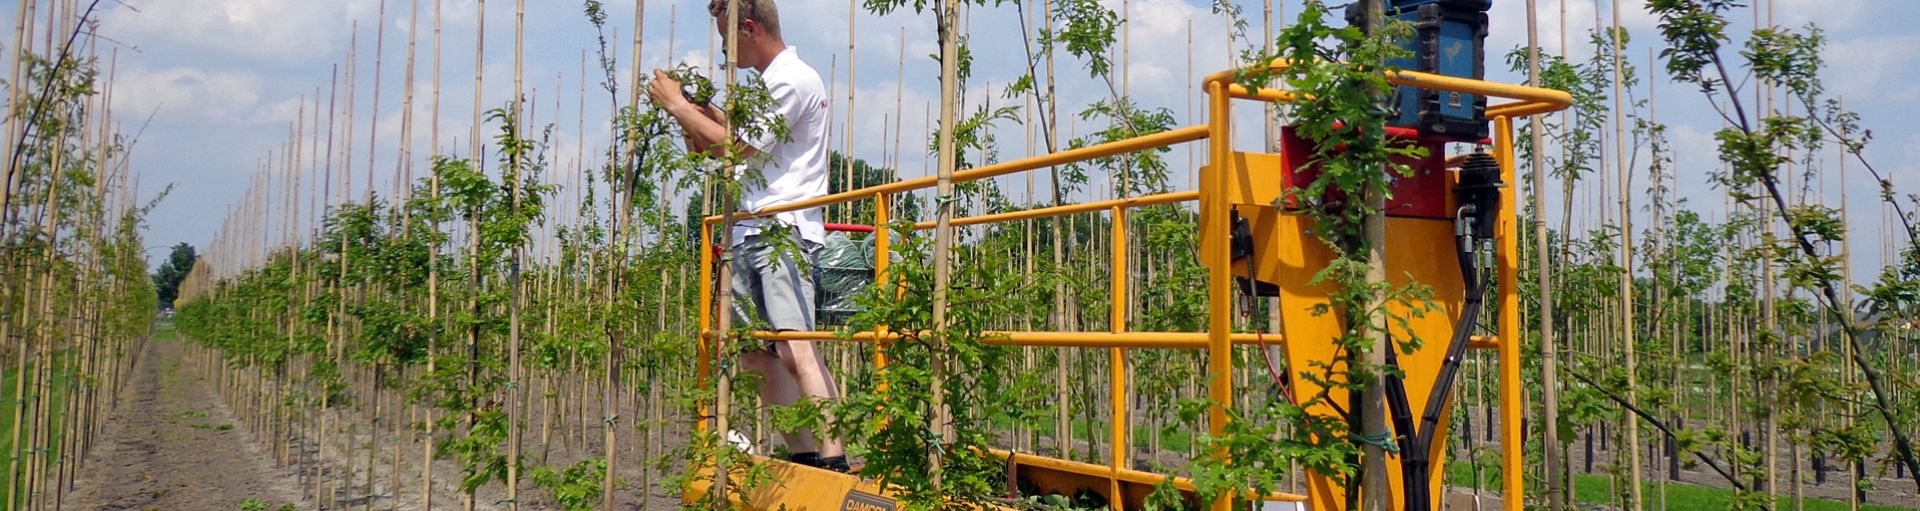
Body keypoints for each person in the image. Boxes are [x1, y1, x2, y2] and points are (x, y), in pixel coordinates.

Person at [646, 0, 847, 472]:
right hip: (748, 233)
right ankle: (803, 452)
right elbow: (727, 143)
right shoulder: (769, 86)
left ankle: (835, 458)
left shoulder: (792, 78)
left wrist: (677, 105)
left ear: (750, 29)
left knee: (796, 350)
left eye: (726, 39)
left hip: (783, 232)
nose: (724, 52)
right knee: (756, 356)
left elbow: (734, 148)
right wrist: (699, 112)